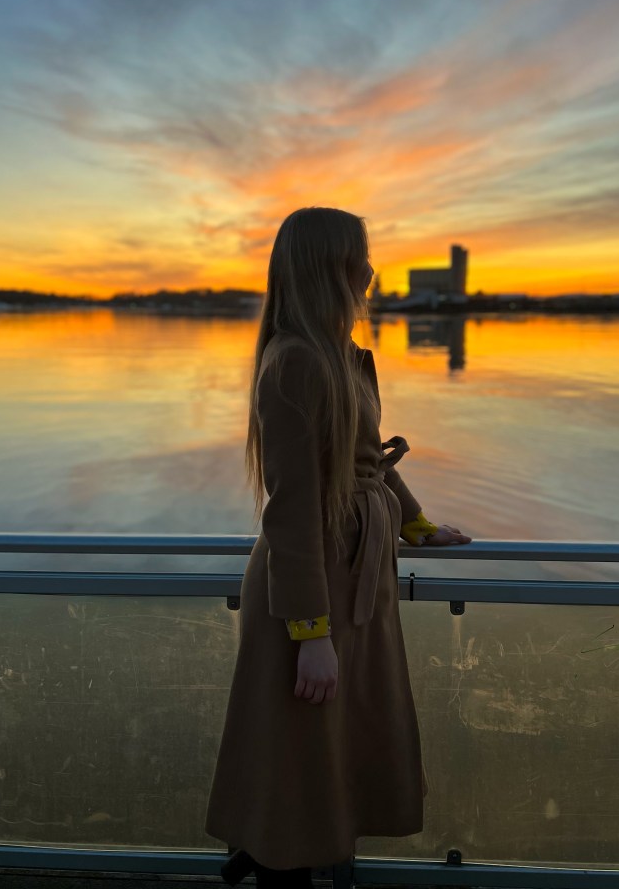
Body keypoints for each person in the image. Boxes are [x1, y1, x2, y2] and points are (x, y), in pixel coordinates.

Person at [205, 206, 471, 889]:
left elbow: (365, 460)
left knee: (332, 739)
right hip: (315, 579)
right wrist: (310, 631)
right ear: (330, 269)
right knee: (296, 746)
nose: (372, 273)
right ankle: (273, 865)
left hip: (352, 570)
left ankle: (309, 855)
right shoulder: (296, 362)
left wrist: (414, 524)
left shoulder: (331, 356)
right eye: (361, 259)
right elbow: (291, 509)